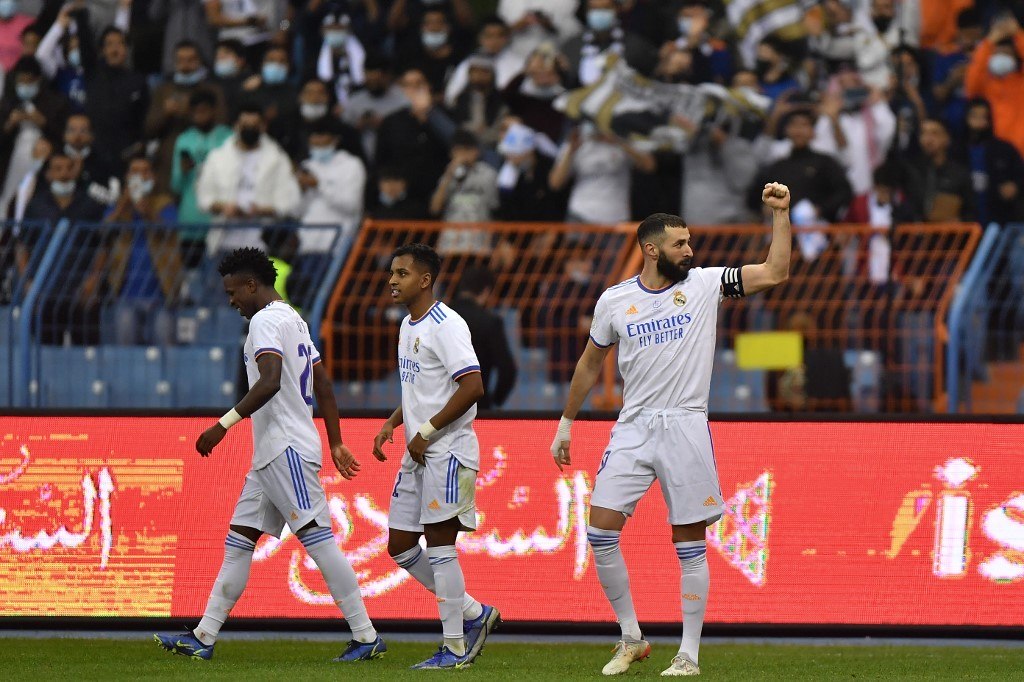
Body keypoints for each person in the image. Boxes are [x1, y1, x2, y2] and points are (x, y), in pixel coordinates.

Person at [549, 189, 792, 677]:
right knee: (599, 532)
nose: (691, 251)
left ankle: (688, 654)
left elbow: (774, 272)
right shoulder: (615, 300)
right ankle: (632, 638)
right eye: (681, 244)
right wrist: (567, 422)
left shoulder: (705, 285)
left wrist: (780, 215)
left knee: (688, 544)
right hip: (633, 425)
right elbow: (591, 361)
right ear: (652, 248)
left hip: (685, 424)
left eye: (691, 242)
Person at [154, 247, 387, 662]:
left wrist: (221, 425)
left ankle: (367, 636)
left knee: (319, 541)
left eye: (233, 292)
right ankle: (203, 637)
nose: (231, 301)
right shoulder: (293, 318)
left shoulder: (263, 321)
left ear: (251, 285)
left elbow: (271, 380)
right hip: (272, 455)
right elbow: (325, 385)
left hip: (286, 450)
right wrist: (334, 441)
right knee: (239, 541)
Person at [371, 243, 499, 669]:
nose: (392, 280)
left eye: (402, 273)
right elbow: (423, 386)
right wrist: (394, 420)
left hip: (448, 450)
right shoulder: (409, 325)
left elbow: (472, 386)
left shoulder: (446, 325)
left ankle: (455, 648)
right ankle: (474, 614)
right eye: (392, 272)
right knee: (401, 545)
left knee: (441, 545)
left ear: (424, 280)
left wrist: (425, 431)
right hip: (419, 449)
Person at [196, 104, 301, 223]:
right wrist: (225, 207)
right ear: (236, 126)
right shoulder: (217, 158)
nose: (250, 129)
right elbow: (204, 198)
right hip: (225, 232)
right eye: (245, 125)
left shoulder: (278, 159)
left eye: (254, 126)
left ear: (263, 127)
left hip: (264, 234)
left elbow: (290, 201)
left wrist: (261, 210)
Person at [448, 266, 518, 410]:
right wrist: (495, 400)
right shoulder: (490, 321)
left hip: (435, 407)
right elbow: (507, 370)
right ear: (486, 291)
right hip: (475, 406)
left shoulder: (436, 318)